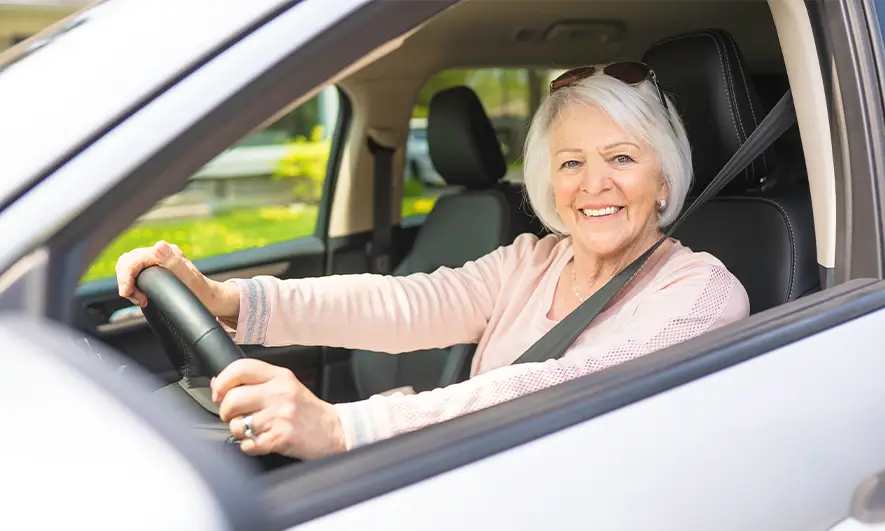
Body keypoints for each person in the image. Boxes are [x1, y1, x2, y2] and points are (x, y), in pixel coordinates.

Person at [116, 63, 750, 460]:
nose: (594, 184)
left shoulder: (701, 293)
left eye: (621, 158)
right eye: (571, 163)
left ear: (664, 179)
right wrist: (229, 300)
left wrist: (342, 428)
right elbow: (405, 303)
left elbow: (560, 387)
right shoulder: (533, 260)